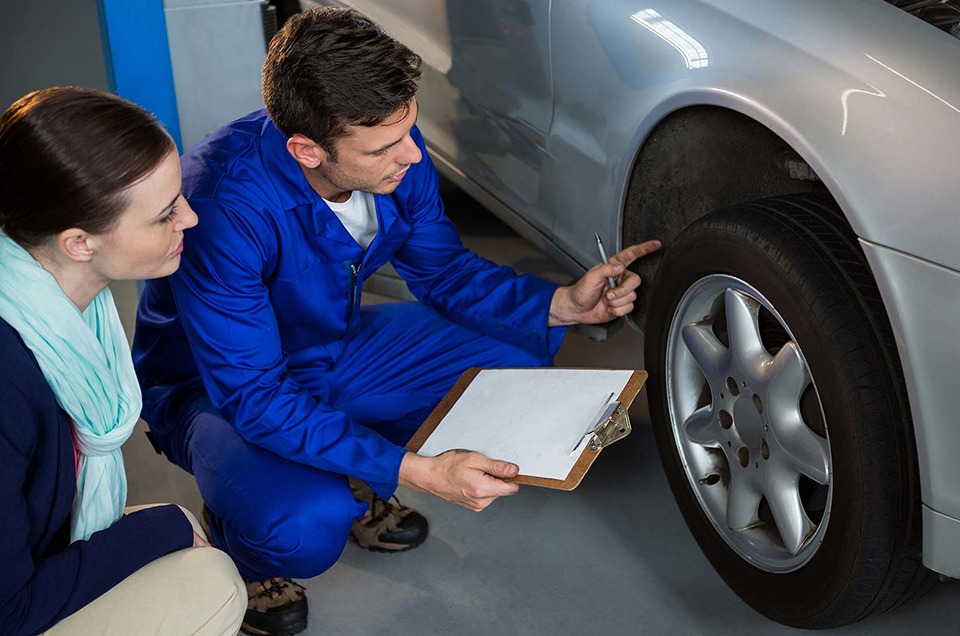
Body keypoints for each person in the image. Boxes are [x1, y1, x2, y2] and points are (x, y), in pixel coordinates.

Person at [132, 7, 661, 635]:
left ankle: (343, 455)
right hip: (217, 391)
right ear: (306, 149)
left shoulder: (393, 156)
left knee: (517, 355)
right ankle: (244, 543)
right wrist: (417, 472)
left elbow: (444, 273)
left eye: (409, 129)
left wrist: (563, 305)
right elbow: (253, 394)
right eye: (384, 146)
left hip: (333, 349)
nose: (412, 154)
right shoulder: (222, 204)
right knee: (300, 525)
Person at [0, 87, 247, 636]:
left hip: (30, 552)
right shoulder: (7, 378)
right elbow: (8, 609)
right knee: (211, 584)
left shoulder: (60, 307)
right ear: (79, 243)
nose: (191, 219)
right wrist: (164, 528)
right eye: (164, 215)